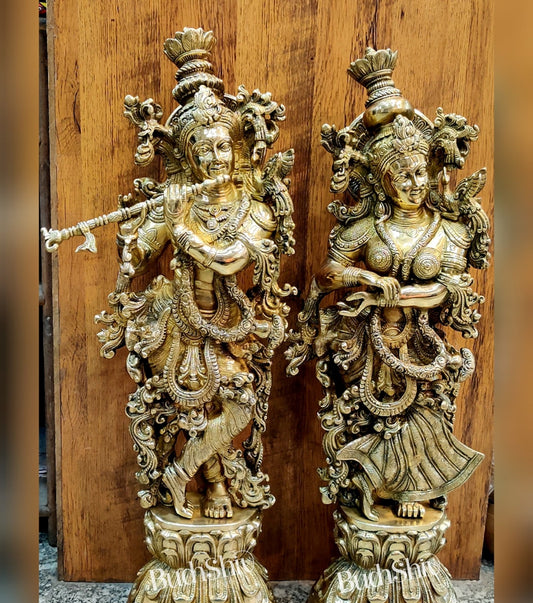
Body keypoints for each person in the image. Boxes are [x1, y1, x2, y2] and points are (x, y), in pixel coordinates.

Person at [97, 28, 295, 520]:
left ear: (236, 150)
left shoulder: (252, 208)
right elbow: (136, 256)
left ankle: (183, 470)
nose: (214, 159)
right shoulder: (178, 202)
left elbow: (231, 261)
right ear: (188, 157)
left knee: (239, 401)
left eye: (222, 148)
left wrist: (181, 230)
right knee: (189, 405)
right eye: (202, 152)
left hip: (225, 320)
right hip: (175, 322)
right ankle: (212, 483)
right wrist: (135, 237)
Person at [287, 48, 489, 520]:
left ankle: (411, 488)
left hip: (419, 340)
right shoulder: (365, 229)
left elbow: (449, 288)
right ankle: (371, 487)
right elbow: (326, 274)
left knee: (422, 414)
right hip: (365, 342)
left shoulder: (448, 231)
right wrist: (363, 276)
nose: (414, 184)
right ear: (381, 183)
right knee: (369, 416)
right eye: (402, 177)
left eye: (420, 174)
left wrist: (394, 293)